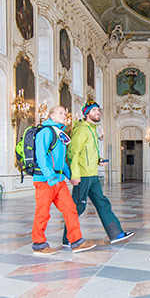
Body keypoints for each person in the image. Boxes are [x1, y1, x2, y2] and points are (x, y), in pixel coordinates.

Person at [63, 101, 134, 246]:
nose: (98, 112)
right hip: (82, 175)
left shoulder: (92, 129)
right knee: (78, 207)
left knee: (102, 203)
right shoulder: (81, 129)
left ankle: (115, 233)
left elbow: (87, 153)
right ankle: (68, 239)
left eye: (98, 110)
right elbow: (73, 153)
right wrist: (74, 175)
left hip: (92, 174)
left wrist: (98, 160)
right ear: (86, 113)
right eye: (94, 110)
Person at [31, 105, 96, 255]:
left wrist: (70, 176)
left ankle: (76, 241)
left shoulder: (59, 133)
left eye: (65, 113)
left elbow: (62, 161)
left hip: (59, 180)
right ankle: (39, 244)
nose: (64, 115)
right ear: (51, 116)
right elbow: (41, 156)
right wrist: (49, 177)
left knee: (70, 209)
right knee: (43, 213)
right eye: (60, 113)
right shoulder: (45, 132)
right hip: (45, 180)